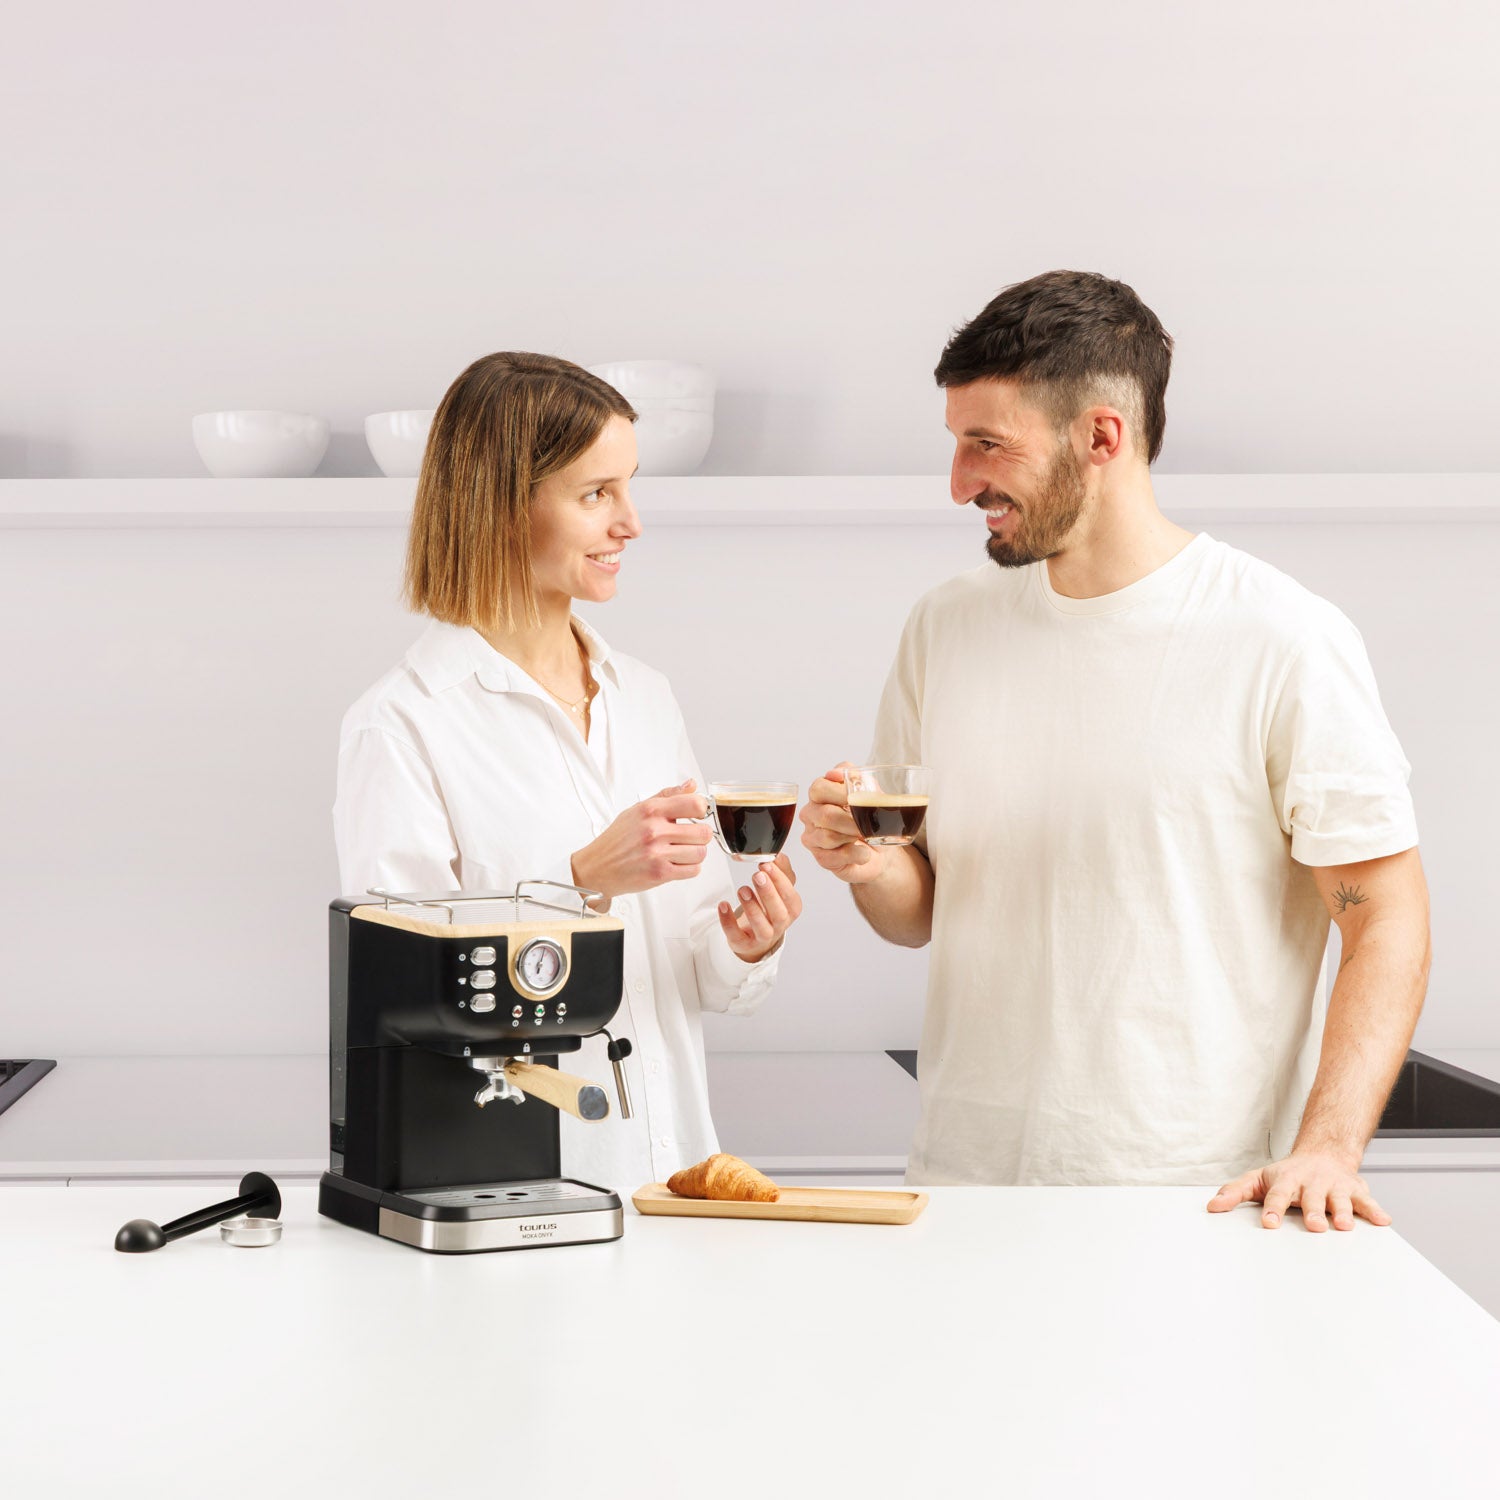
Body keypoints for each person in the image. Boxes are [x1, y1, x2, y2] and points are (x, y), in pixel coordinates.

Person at [801, 271, 1430, 1232]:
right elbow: (919, 913)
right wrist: (869, 863)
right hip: (964, 1187)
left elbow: (1384, 917)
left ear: (1102, 437)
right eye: (957, 443)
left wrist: (1328, 1147)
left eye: (988, 445)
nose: (960, 483)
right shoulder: (946, 626)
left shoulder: (1280, 637)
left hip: (1194, 1198)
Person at [334, 351, 801, 1190]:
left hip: (678, 1182)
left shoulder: (646, 698)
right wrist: (579, 883)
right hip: (512, 1185)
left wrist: (744, 943)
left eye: (629, 488)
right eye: (596, 495)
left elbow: (700, 977)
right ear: (501, 506)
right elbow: (403, 1001)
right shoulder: (402, 722)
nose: (631, 523)